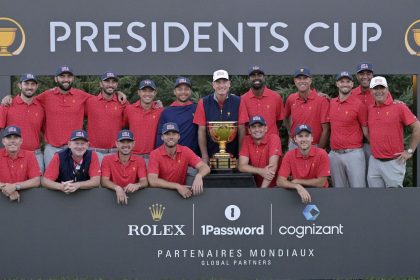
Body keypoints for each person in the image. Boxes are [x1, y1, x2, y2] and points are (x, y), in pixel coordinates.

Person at [1, 66, 126, 169]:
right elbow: (27, 98)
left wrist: (117, 93)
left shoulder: (82, 96)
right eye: (62, 76)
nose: (65, 79)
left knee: (75, 183)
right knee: (50, 183)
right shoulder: (45, 96)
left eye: (68, 76)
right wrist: (10, 97)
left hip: (75, 149)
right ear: (56, 79)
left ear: (72, 78)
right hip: (51, 149)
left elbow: (102, 99)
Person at [367, 76, 420, 188]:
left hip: (393, 163)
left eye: (382, 88)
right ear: (371, 91)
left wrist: (410, 151)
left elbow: (417, 127)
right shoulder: (370, 108)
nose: (379, 91)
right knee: (375, 200)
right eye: (376, 88)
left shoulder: (399, 107)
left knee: (394, 200)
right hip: (374, 162)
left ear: (387, 89)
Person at [193, 69, 248, 164]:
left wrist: (240, 155)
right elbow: (201, 130)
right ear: (213, 85)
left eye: (224, 82)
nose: (221, 85)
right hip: (210, 157)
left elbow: (242, 130)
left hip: (233, 157)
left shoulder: (238, 101)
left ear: (229, 84)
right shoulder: (203, 102)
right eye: (218, 82)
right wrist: (205, 156)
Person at [148, 122, 210, 199]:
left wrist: (199, 176)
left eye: (174, 134)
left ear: (178, 136)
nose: (171, 137)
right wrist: (177, 186)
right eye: (167, 134)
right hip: (160, 194)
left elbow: (205, 167)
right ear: (162, 137)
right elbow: (152, 181)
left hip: (179, 195)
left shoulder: (185, 151)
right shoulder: (155, 154)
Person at [329, 71, 368, 188]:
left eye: (348, 81)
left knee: (358, 189)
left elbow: (365, 130)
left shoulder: (359, 105)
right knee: (339, 191)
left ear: (352, 84)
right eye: (342, 81)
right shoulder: (331, 103)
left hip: (354, 153)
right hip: (335, 154)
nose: (344, 84)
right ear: (337, 84)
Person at [0, 74, 45, 172]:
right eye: (26, 83)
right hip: (12, 156)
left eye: (33, 84)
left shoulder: (41, 107)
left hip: (35, 155)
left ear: (36, 87)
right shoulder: (7, 104)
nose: (29, 87)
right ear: (20, 85)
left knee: (38, 184)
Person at [276, 124, 330, 204]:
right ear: (295, 139)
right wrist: (297, 186)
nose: (303, 139)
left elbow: (321, 182)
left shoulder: (322, 154)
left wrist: (298, 181)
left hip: (320, 193)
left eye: (307, 136)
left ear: (312, 138)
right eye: (300, 136)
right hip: (298, 194)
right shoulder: (289, 155)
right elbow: (280, 181)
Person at [41, 129, 100, 193]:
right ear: (69, 144)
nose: (79, 147)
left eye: (82, 143)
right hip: (62, 195)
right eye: (76, 143)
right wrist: (61, 186)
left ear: (87, 145)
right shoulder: (59, 156)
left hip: (85, 195)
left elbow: (96, 181)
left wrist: (78, 185)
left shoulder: (92, 155)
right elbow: (45, 181)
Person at [284, 68, 330, 150]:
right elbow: (285, 117)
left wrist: (319, 149)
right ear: (295, 81)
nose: (302, 81)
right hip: (295, 145)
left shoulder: (321, 100)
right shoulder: (291, 98)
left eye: (305, 78)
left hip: (314, 146)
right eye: (299, 78)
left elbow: (326, 129)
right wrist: (290, 132)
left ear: (310, 80)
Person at [85, 71, 125, 163]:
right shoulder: (90, 101)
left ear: (117, 85)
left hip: (115, 152)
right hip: (93, 151)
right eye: (107, 81)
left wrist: (155, 104)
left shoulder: (123, 103)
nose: (110, 85)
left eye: (113, 82)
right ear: (101, 84)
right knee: (94, 177)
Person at [101, 129, 148, 205]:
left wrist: (137, 185)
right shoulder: (107, 159)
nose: (126, 145)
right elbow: (104, 181)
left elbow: (145, 182)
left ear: (133, 144)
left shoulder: (140, 160)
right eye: (122, 142)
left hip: (134, 198)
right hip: (111, 197)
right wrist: (117, 187)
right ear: (117, 144)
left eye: (129, 142)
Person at [156, 76, 198, 154]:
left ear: (190, 91)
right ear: (174, 92)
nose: (183, 92)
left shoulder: (197, 109)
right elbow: (160, 135)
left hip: (193, 157)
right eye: (180, 89)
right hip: (172, 157)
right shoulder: (167, 112)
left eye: (186, 89)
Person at [124, 79, 163, 162]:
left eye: (150, 91)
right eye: (144, 91)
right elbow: (124, 126)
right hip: (132, 156)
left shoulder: (160, 111)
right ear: (139, 92)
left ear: (155, 93)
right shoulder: (129, 109)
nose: (147, 94)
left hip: (153, 157)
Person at [238, 115, 282, 188]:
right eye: (253, 127)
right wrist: (261, 171)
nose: (257, 129)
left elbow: (272, 168)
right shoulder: (246, 140)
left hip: (275, 188)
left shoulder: (274, 138)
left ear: (266, 128)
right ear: (249, 130)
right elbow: (241, 166)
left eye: (260, 126)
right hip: (254, 188)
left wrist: (261, 191)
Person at [240, 66, 284, 137]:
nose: (256, 78)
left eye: (259, 75)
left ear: (264, 78)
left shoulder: (276, 97)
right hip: (251, 142)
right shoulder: (243, 99)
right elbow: (243, 125)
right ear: (249, 79)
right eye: (253, 76)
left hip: (272, 141)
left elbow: (279, 121)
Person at [0, 126, 41, 202]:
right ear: (3, 141)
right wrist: (6, 187)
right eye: (9, 138)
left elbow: (36, 180)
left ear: (21, 141)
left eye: (16, 137)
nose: (12, 141)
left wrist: (15, 187)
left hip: (25, 199)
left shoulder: (29, 155)